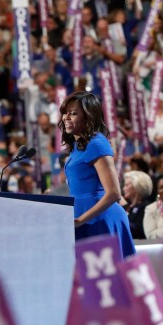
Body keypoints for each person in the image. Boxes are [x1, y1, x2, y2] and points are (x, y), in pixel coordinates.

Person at [59, 92, 135, 257]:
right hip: (83, 219)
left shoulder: (96, 143)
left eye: (73, 113)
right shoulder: (78, 147)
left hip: (100, 219)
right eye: (65, 113)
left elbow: (114, 193)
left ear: (88, 116)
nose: (66, 117)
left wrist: (81, 220)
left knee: (108, 280)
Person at [121, 170, 153, 240]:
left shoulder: (147, 207)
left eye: (126, 185)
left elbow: (141, 231)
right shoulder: (127, 207)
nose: (123, 189)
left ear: (138, 186)